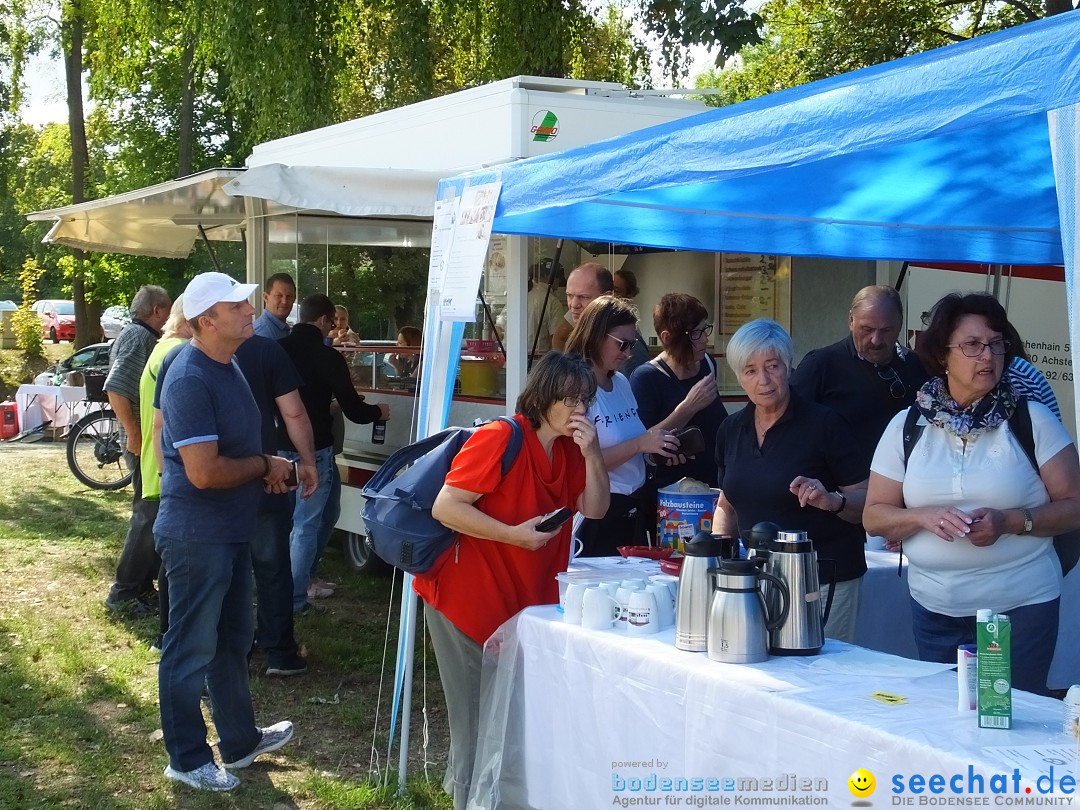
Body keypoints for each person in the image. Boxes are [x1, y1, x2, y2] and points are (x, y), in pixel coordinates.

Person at [418, 351, 609, 809]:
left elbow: (597, 508)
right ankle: (468, 800)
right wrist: (513, 537)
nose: (580, 410)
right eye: (571, 399)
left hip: (522, 609)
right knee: (477, 726)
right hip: (467, 603)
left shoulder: (569, 448)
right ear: (544, 398)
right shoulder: (501, 437)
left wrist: (594, 452)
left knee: (511, 722)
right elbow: (446, 507)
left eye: (586, 400)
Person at [864, 293, 1080, 695]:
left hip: (1019, 609)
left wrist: (1010, 521)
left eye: (996, 344)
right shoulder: (907, 426)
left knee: (1007, 723)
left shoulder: (1032, 419)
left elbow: (1074, 507)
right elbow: (874, 515)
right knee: (948, 727)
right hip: (934, 611)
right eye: (973, 345)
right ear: (944, 355)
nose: (988, 356)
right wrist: (920, 517)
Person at [154, 272, 296, 791]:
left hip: (228, 530)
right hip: (197, 535)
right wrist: (264, 465)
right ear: (205, 321)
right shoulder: (190, 375)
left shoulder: (228, 361)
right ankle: (187, 757)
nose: (249, 309)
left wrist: (269, 467)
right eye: (236, 305)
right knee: (189, 647)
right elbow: (204, 472)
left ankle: (238, 742)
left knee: (232, 640)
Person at [714, 319, 868, 642]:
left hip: (825, 580)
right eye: (751, 370)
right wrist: (720, 563)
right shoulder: (732, 430)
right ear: (738, 376)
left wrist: (832, 500)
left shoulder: (825, 424)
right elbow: (726, 506)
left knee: (822, 678)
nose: (764, 380)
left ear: (789, 366)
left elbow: (868, 502)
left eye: (773, 366)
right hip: (760, 580)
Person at [278, 294, 389, 616]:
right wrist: (378, 411)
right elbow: (354, 409)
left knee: (311, 517)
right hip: (316, 448)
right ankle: (295, 600)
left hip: (276, 447)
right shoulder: (327, 356)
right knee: (306, 524)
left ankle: (298, 583)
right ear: (326, 320)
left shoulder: (277, 350)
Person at [565, 295, 680, 555]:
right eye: (622, 344)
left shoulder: (621, 383)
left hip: (634, 510)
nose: (628, 353)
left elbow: (631, 445)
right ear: (595, 335)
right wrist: (640, 443)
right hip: (596, 514)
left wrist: (656, 450)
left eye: (633, 344)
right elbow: (575, 464)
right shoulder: (574, 390)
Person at [233, 335, 319, 675]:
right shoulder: (266, 349)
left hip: (217, 479)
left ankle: (233, 652)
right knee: (272, 567)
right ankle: (279, 652)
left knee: (227, 570)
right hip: (265, 474)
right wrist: (308, 462)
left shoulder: (187, 353)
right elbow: (293, 411)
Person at [790, 285, 927, 472]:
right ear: (851, 321)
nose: (876, 340)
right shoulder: (820, 364)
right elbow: (787, 423)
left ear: (900, 324)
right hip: (841, 491)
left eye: (886, 330)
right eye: (867, 329)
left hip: (903, 485)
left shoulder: (915, 364)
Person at [103, 284, 173, 616]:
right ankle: (125, 591)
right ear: (158, 311)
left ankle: (142, 586)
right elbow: (115, 389)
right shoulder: (140, 338)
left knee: (151, 514)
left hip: (144, 438)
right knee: (146, 516)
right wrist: (134, 432)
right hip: (141, 439)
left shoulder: (139, 336)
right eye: (169, 308)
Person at [631, 293, 728, 489]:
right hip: (672, 492)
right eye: (695, 333)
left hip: (714, 482)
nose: (704, 340)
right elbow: (641, 442)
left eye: (704, 330)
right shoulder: (646, 378)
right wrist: (689, 407)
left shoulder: (708, 363)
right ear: (667, 337)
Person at [138, 296, 192, 649]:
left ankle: (166, 632)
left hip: (156, 464)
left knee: (170, 559)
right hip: (167, 468)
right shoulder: (178, 354)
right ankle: (167, 634)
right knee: (175, 563)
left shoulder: (161, 349)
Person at [550, 262, 613, 351]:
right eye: (569, 295)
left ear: (606, 297)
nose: (573, 305)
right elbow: (559, 337)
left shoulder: (622, 337)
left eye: (584, 297)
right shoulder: (581, 313)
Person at [611, 268, 650, 376]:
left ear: (628, 295)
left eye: (616, 290)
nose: (610, 295)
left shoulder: (630, 340)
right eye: (609, 289)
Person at [252, 273, 295, 340]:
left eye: (289, 296)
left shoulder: (280, 328)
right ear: (266, 297)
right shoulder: (262, 333)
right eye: (279, 296)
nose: (284, 301)